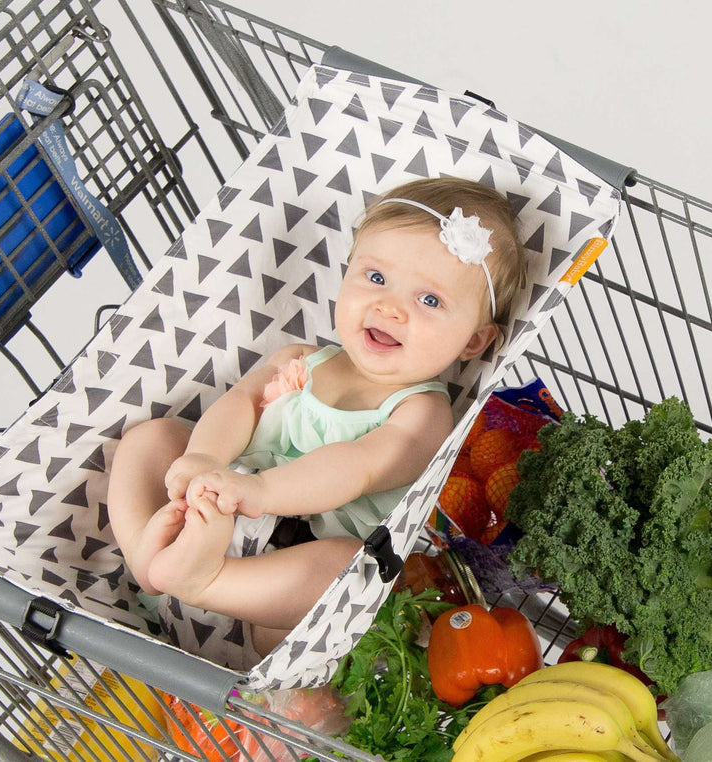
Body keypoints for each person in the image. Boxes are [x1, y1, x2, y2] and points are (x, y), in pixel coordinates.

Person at [107, 177, 526, 659]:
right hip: (200, 518)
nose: (389, 307)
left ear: (473, 342)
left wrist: (261, 492)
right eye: (375, 277)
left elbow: (356, 467)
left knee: (347, 570)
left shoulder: (423, 413)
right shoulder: (301, 359)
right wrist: (203, 457)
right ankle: (147, 557)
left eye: (429, 300)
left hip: (271, 596)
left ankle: (204, 582)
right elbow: (240, 404)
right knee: (153, 437)